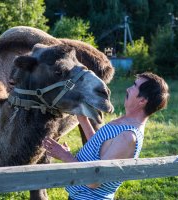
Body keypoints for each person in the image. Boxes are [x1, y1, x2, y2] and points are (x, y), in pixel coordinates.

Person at [42, 72, 169, 200]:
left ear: (142, 100)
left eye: (134, 86)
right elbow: (99, 146)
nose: (128, 89)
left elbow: (94, 180)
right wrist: (83, 119)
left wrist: (65, 156)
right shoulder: (125, 122)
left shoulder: (128, 137)